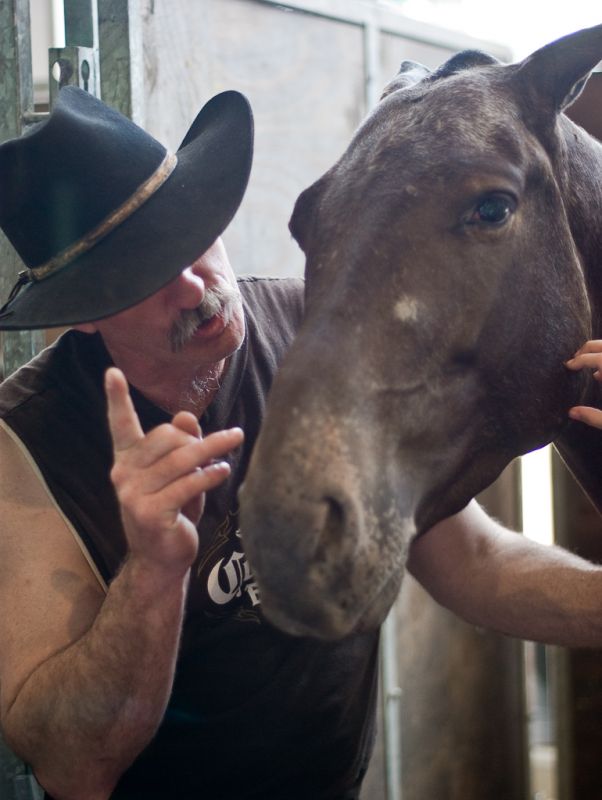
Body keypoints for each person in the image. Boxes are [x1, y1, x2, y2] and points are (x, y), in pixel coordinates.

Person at [0, 86, 601, 800]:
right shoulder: (24, 445)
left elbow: (467, 559)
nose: (194, 288)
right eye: (144, 277)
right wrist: (154, 570)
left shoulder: (307, 324)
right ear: (83, 316)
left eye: (191, 239)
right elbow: (74, 766)